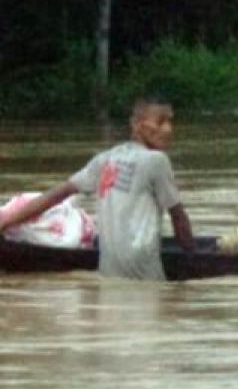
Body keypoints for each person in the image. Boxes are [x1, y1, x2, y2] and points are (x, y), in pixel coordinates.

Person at [0, 95, 195, 280]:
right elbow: (178, 216)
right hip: (146, 278)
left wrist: (5, 223)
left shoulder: (105, 159)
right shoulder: (157, 161)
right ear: (136, 124)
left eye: (170, 122)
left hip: (108, 277)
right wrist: (192, 258)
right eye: (160, 122)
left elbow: (54, 196)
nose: (168, 129)